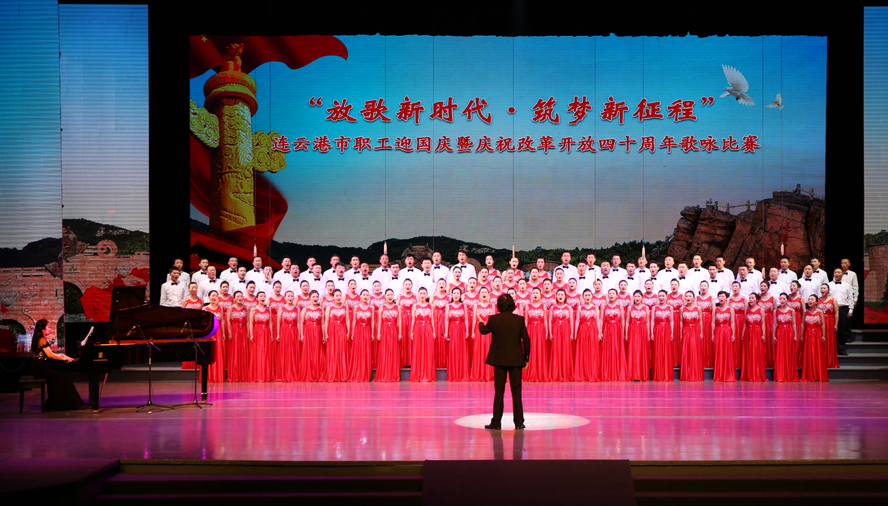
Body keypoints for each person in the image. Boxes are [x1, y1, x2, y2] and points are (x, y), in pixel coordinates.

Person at [478, 294, 531, 430]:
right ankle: (519, 422)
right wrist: (526, 358)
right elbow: (526, 340)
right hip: (516, 360)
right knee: (516, 392)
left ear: (499, 306)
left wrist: (480, 323)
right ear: (512, 305)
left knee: (499, 391)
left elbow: (483, 331)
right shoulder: (519, 320)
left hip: (499, 360)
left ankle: (496, 422)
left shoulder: (494, 319)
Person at [30, 319, 85, 411]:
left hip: (42, 366)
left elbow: (51, 353)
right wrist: (64, 358)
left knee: (62, 375)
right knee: (62, 376)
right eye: (48, 327)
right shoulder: (42, 339)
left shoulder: (42, 339)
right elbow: (50, 355)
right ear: (42, 329)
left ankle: (60, 402)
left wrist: (63, 356)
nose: (50, 329)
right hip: (40, 368)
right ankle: (60, 403)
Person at [408, 287, 437, 382]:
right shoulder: (415, 306)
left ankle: (427, 373)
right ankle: (418, 374)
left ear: (427, 295)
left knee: (428, 350)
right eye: (421, 293)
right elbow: (413, 319)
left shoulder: (430, 306)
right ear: (418, 295)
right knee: (418, 350)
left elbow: (432, 320)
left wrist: (434, 331)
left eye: (424, 293)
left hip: (428, 328)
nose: (422, 295)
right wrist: (411, 331)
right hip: (418, 328)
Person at [374, 289, 402, 382]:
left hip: (394, 330)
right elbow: (379, 321)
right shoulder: (382, 307)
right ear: (385, 296)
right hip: (384, 330)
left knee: (393, 350)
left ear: (394, 296)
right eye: (388, 295)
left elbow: (399, 321)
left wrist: (400, 333)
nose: (390, 296)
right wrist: (378, 333)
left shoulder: (398, 307)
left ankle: (393, 374)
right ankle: (384, 373)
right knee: (384, 351)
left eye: (391, 294)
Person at [574, 289, 601, 382]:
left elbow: (598, 321)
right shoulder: (579, 308)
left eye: (589, 295)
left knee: (593, 351)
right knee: (583, 351)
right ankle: (583, 373)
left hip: (593, 330)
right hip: (582, 330)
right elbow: (577, 321)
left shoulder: (595, 308)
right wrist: (575, 332)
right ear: (583, 297)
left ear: (592, 297)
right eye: (585, 295)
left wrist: (599, 333)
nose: (587, 297)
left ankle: (593, 373)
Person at [296, 291, 324, 382]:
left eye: (317, 297)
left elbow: (323, 323)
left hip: (318, 332)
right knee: (308, 351)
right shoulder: (305, 309)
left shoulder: (321, 309)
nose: (315, 298)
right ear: (310, 298)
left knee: (317, 351)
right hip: (308, 332)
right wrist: (301, 334)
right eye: (313, 296)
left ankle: (317, 373)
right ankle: (308, 373)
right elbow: (301, 323)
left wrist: (324, 335)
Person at [470, 287, 497, 382]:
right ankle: (478, 373)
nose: (484, 293)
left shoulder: (492, 305)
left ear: (488, 294)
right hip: (479, 329)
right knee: (479, 350)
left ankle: (490, 374)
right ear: (480, 294)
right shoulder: (476, 306)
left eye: (485, 292)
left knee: (489, 349)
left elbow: (494, 319)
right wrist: (473, 331)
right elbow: (474, 319)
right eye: (482, 292)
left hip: (489, 329)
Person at [600, 289, 627, 381]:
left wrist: (623, 331)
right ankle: (607, 373)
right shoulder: (604, 306)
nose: (611, 295)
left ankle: (618, 372)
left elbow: (622, 319)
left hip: (617, 329)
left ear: (616, 296)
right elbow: (601, 319)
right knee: (607, 349)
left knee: (617, 349)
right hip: (607, 329)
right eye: (610, 293)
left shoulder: (620, 306)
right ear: (607, 295)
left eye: (613, 294)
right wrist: (600, 331)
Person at [348, 290, 375, 383]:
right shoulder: (356, 307)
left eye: (367, 295)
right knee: (358, 351)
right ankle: (357, 373)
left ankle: (365, 374)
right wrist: (353, 332)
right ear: (360, 296)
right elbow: (354, 320)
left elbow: (372, 321)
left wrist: (372, 333)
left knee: (366, 351)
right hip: (358, 330)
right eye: (364, 295)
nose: (365, 296)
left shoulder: (372, 308)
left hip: (367, 330)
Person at [523, 288, 549, 382]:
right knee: (530, 350)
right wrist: (524, 332)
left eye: (537, 293)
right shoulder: (527, 307)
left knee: (540, 350)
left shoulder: (544, 306)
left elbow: (545, 320)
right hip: (530, 329)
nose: (535, 294)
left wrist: (546, 331)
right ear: (531, 295)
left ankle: (540, 373)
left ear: (540, 295)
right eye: (533, 293)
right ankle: (529, 372)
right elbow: (526, 320)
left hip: (540, 329)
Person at [800, 295, 829, 382]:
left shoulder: (820, 312)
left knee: (817, 354)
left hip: (817, 334)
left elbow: (823, 324)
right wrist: (801, 335)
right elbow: (802, 324)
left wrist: (823, 335)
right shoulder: (805, 312)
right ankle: (808, 375)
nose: (810, 301)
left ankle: (818, 374)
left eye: (812, 299)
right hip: (807, 334)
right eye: (809, 299)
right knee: (808, 354)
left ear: (816, 302)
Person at [740, 293, 767, 382]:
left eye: (752, 298)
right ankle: (748, 374)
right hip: (748, 332)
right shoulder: (746, 310)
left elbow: (763, 323)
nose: (750, 300)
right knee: (748, 353)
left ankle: (757, 373)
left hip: (757, 332)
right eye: (749, 298)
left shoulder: (761, 310)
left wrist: (763, 334)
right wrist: (743, 333)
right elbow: (745, 323)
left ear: (757, 300)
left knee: (756, 352)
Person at [445, 287, 470, 382]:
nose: (456, 295)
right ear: (451, 295)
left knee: (462, 350)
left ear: (460, 295)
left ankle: (462, 374)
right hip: (452, 329)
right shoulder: (448, 306)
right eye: (454, 293)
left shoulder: (464, 306)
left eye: (457, 293)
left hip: (461, 329)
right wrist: (446, 332)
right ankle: (453, 374)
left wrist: (467, 331)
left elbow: (466, 319)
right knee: (452, 350)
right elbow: (446, 320)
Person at [548, 289, 574, 382]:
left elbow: (571, 321)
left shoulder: (569, 308)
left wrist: (572, 333)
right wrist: (550, 333)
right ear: (556, 296)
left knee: (565, 350)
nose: (560, 296)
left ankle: (566, 373)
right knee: (556, 350)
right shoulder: (553, 308)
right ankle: (556, 374)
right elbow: (550, 321)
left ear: (565, 296)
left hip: (566, 330)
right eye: (558, 294)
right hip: (556, 329)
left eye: (562, 294)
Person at [324, 290, 350, 382]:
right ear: (333, 297)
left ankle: (342, 373)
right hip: (332, 329)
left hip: (342, 328)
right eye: (336, 295)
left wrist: (348, 331)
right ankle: (332, 373)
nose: (338, 297)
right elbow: (326, 321)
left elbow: (347, 319)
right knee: (332, 350)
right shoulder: (329, 307)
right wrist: (326, 333)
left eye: (340, 295)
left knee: (342, 349)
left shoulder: (345, 306)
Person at [773, 293, 799, 382]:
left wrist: (795, 335)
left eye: (784, 299)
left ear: (787, 300)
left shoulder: (792, 311)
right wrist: (773, 335)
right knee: (780, 353)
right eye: (780, 299)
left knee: (789, 352)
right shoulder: (776, 311)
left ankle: (790, 374)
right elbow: (774, 324)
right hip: (780, 332)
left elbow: (794, 324)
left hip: (789, 332)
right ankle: (780, 374)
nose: (782, 300)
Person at [626, 291, 651, 381]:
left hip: (642, 329)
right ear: (633, 298)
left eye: (638, 296)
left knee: (642, 350)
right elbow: (627, 321)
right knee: (633, 350)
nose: (637, 298)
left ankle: (642, 374)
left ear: (642, 297)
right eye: (635, 296)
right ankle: (632, 374)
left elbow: (647, 322)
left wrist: (648, 333)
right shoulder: (630, 308)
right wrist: (626, 333)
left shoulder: (646, 308)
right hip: (632, 329)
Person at [679, 291, 704, 381]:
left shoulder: (698, 308)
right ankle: (686, 374)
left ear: (693, 298)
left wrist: (701, 332)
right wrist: (681, 333)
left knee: (695, 350)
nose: (688, 298)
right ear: (684, 298)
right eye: (687, 296)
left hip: (695, 330)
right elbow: (681, 322)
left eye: (690, 296)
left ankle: (696, 374)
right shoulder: (682, 309)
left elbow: (700, 321)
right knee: (686, 351)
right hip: (686, 330)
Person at [711, 291, 736, 382]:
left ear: (726, 298)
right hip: (718, 331)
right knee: (718, 352)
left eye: (723, 296)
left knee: (727, 352)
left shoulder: (731, 309)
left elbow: (732, 322)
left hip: (727, 331)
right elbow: (713, 322)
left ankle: (728, 374)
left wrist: (733, 334)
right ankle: (719, 374)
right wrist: (712, 334)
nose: (721, 298)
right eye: (719, 296)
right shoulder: (715, 309)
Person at [248, 292, 272, 382]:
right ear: (257, 299)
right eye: (261, 296)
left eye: (264, 296)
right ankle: (257, 374)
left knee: (265, 352)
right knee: (258, 352)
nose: (263, 297)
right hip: (257, 331)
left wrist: (271, 334)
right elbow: (251, 323)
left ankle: (265, 374)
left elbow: (270, 323)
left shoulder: (268, 309)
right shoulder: (253, 309)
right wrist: (251, 334)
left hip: (266, 331)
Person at [651, 291, 675, 382]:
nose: (661, 297)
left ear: (666, 297)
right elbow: (652, 321)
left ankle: (666, 374)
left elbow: (672, 320)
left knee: (667, 350)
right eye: (659, 296)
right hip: (657, 330)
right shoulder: (654, 308)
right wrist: (652, 333)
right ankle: (658, 374)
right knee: (658, 351)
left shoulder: (670, 307)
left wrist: (672, 332)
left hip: (667, 329)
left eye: (663, 296)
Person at [277, 291, 300, 382]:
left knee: (293, 351)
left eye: (292, 296)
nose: (290, 298)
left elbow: (298, 323)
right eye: (288, 296)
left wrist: (299, 334)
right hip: (284, 331)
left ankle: (293, 373)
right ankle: (284, 373)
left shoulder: (297, 308)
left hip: (294, 331)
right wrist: (278, 334)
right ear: (285, 298)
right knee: (285, 351)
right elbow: (278, 322)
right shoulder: (281, 308)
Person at [226, 291, 249, 382]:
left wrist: (248, 332)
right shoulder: (230, 308)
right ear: (234, 298)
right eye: (238, 296)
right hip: (234, 330)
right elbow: (228, 321)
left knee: (243, 351)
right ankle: (234, 374)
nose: (240, 298)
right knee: (234, 352)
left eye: (241, 296)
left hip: (243, 331)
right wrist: (229, 333)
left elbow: (248, 321)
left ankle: (243, 375)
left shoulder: (246, 308)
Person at [204, 291, 226, 383]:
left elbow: (222, 321)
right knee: (210, 352)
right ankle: (209, 375)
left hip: (218, 331)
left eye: (216, 296)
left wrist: (223, 333)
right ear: (209, 297)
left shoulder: (220, 308)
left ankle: (219, 376)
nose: (214, 297)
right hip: (209, 333)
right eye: (212, 296)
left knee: (218, 351)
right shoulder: (205, 308)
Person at [831, 268, 853, 356]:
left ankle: (841, 349)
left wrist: (851, 310)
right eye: (835, 272)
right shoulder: (829, 285)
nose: (837, 274)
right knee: (832, 329)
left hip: (843, 309)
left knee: (842, 329)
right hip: (832, 310)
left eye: (839, 272)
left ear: (842, 274)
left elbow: (850, 298)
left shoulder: (847, 285)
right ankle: (832, 349)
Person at [817, 283, 839, 369]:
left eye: (824, 288)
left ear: (828, 290)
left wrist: (836, 324)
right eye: (821, 288)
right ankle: (821, 362)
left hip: (830, 322)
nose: (822, 290)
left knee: (830, 341)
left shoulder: (833, 300)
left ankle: (830, 361)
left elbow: (836, 313)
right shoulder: (817, 300)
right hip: (820, 323)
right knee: (821, 341)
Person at [432, 279, 450, 369]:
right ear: (437, 285)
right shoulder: (433, 297)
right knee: (435, 339)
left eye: (443, 283)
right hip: (435, 320)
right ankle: (435, 361)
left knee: (444, 339)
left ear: (446, 285)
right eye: (440, 283)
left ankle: (445, 361)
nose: (441, 285)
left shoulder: (449, 297)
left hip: (445, 319)